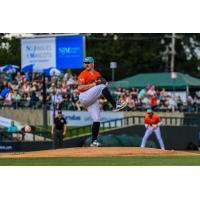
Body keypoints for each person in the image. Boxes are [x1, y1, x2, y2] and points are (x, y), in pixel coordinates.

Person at [77, 56, 127, 147]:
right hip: (84, 97)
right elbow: (80, 87)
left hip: (92, 100)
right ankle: (115, 106)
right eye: (85, 63)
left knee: (96, 119)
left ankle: (93, 141)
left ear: (92, 63)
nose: (86, 64)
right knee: (101, 87)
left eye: (88, 63)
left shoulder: (96, 73)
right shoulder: (83, 74)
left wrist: (105, 82)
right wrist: (95, 84)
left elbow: (103, 82)